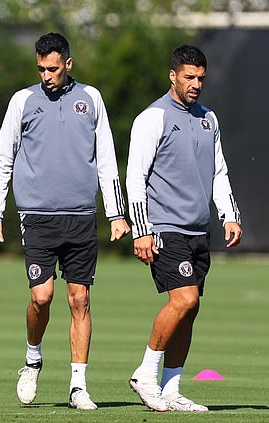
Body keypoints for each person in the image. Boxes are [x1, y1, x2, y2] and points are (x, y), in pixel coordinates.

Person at [0, 32, 130, 410]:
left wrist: (116, 212)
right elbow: (4, 157)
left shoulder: (91, 98)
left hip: (81, 216)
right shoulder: (22, 101)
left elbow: (106, 159)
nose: (46, 76)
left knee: (80, 299)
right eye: (40, 69)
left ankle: (78, 385)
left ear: (68, 64)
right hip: (37, 216)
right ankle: (32, 359)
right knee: (42, 297)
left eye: (52, 68)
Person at [126, 45, 242, 412]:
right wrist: (140, 229)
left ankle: (171, 389)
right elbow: (135, 177)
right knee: (184, 299)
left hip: (197, 229)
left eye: (201, 78)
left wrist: (229, 214)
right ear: (172, 75)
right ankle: (144, 375)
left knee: (190, 310)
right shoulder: (152, 118)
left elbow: (218, 171)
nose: (195, 84)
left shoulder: (209, 118)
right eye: (189, 77)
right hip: (164, 227)